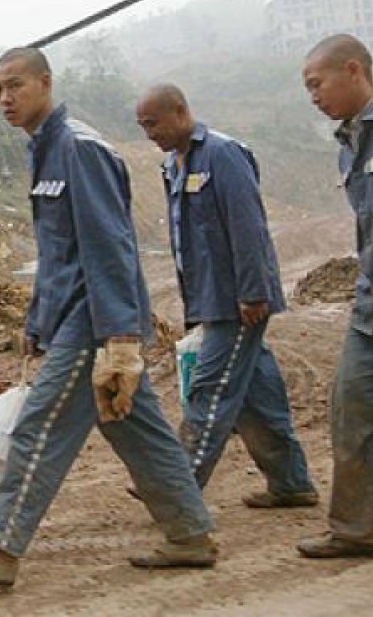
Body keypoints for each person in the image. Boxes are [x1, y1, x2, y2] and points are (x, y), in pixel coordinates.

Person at [0, 48, 216, 588]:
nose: (5, 98)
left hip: (92, 323)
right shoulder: (45, 150)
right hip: (74, 316)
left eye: (15, 85)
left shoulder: (79, 150)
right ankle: (189, 533)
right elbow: (58, 252)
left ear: (45, 83)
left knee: (38, 429)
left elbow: (110, 246)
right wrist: (37, 322)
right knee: (138, 429)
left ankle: (2, 550)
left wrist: (120, 339)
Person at [134, 85, 317, 506]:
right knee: (257, 398)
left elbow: (248, 226)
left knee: (209, 390)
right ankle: (292, 484)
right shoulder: (172, 165)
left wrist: (253, 292)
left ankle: (176, 489)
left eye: (153, 123)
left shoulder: (223, 155)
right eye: (143, 126)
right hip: (208, 297)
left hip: (237, 301)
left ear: (179, 111)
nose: (149, 134)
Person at [297, 33, 373, 558]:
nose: (313, 97)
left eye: (316, 84)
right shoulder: (350, 141)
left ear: (353, 70)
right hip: (369, 305)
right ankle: (355, 529)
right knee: (351, 407)